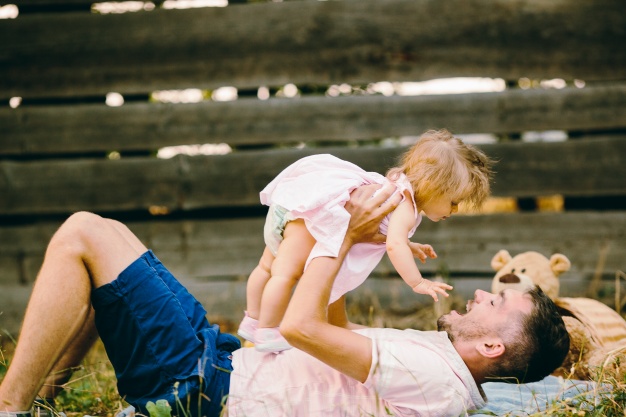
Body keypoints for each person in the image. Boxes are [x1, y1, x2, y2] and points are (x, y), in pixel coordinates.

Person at [0, 184, 569, 417]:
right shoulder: (435, 360)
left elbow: (300, 328)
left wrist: (341, 237)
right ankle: (41, 401)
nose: (479, 295)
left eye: (495, 304)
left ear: (493, 345)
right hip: (220, 364)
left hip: (206, 388)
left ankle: (9, 406)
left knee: (83, 234)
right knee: (110, 240)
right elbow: (328, 328)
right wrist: (355, 249)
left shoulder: (434, 376)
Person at [239, 129, 492, 352]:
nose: (455, 210)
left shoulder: (398, 189)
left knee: (265, 268)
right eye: (454, 202)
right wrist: (417, 282)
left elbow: (390, 237)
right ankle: (268, 330)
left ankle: (252, 319)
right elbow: (394, 245)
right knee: (284, 275)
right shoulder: (406, 205)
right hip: (306, 225)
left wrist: (411, 246)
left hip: (295, 210)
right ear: (434, 186)